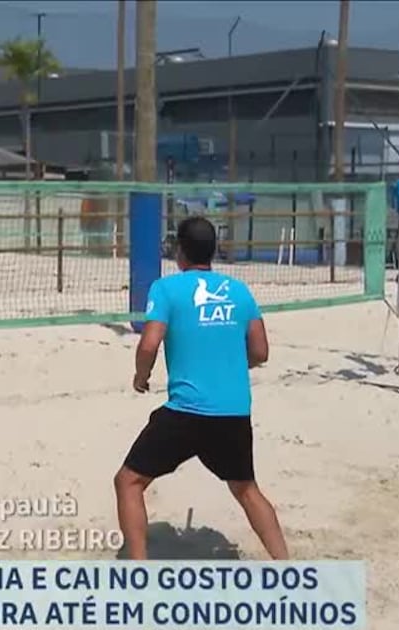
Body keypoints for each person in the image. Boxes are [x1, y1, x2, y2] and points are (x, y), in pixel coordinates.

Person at [115, 216, 288, 560]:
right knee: (247, 490)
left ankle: (137, 571)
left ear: (180, 251)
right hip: (233, 412)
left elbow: (149, 344)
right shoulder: (239, 291)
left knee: (128, 482)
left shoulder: (165, 289)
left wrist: (141, 376)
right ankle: (287, 567)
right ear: (213, 251)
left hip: (186, 413)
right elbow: (260, 351)